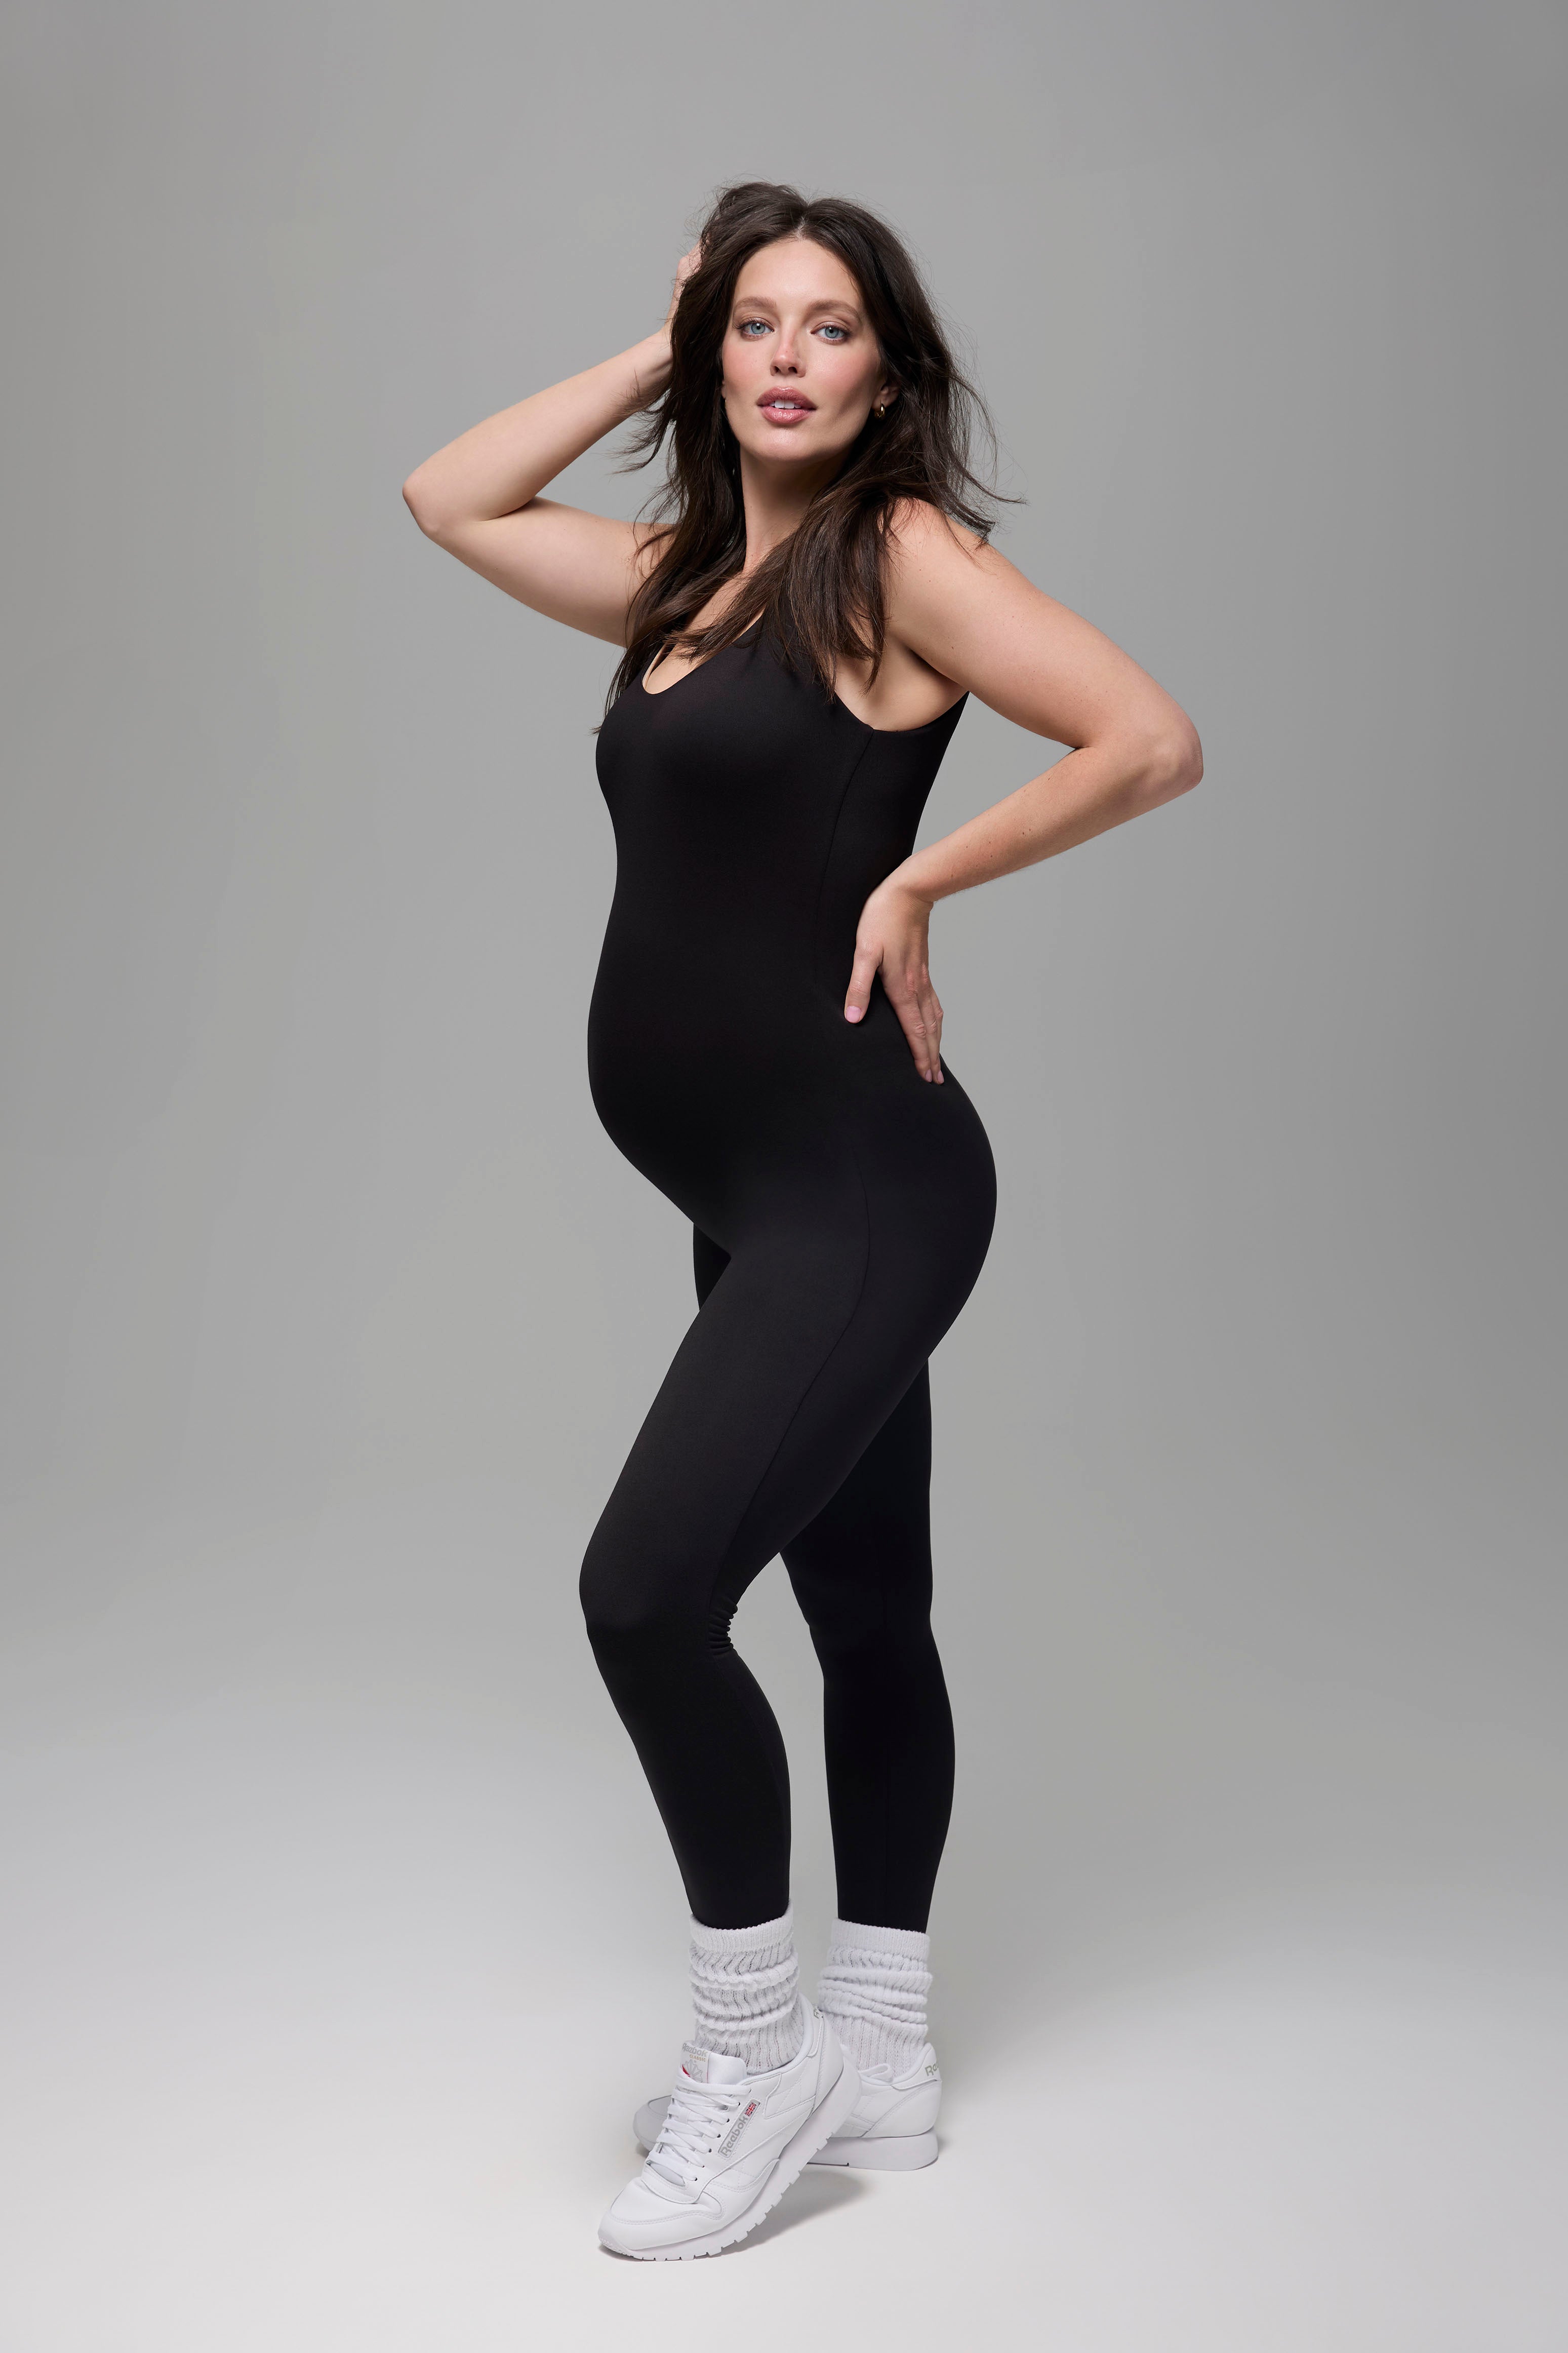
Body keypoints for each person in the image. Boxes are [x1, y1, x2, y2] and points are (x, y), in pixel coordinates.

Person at [401, 178, 1201, 2260]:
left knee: (646, 1595)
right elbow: (447, 495)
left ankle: (758, 2057)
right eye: (750, 322)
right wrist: (653, 335)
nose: (782, 357)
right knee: (862, 1603)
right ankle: (890, 2046)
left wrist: (926, 879)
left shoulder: (895, 558)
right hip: (745, 1193)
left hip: (861, 1181)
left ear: (885, 370)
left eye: (826, 326)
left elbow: (1147, 738)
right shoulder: (680, 583)